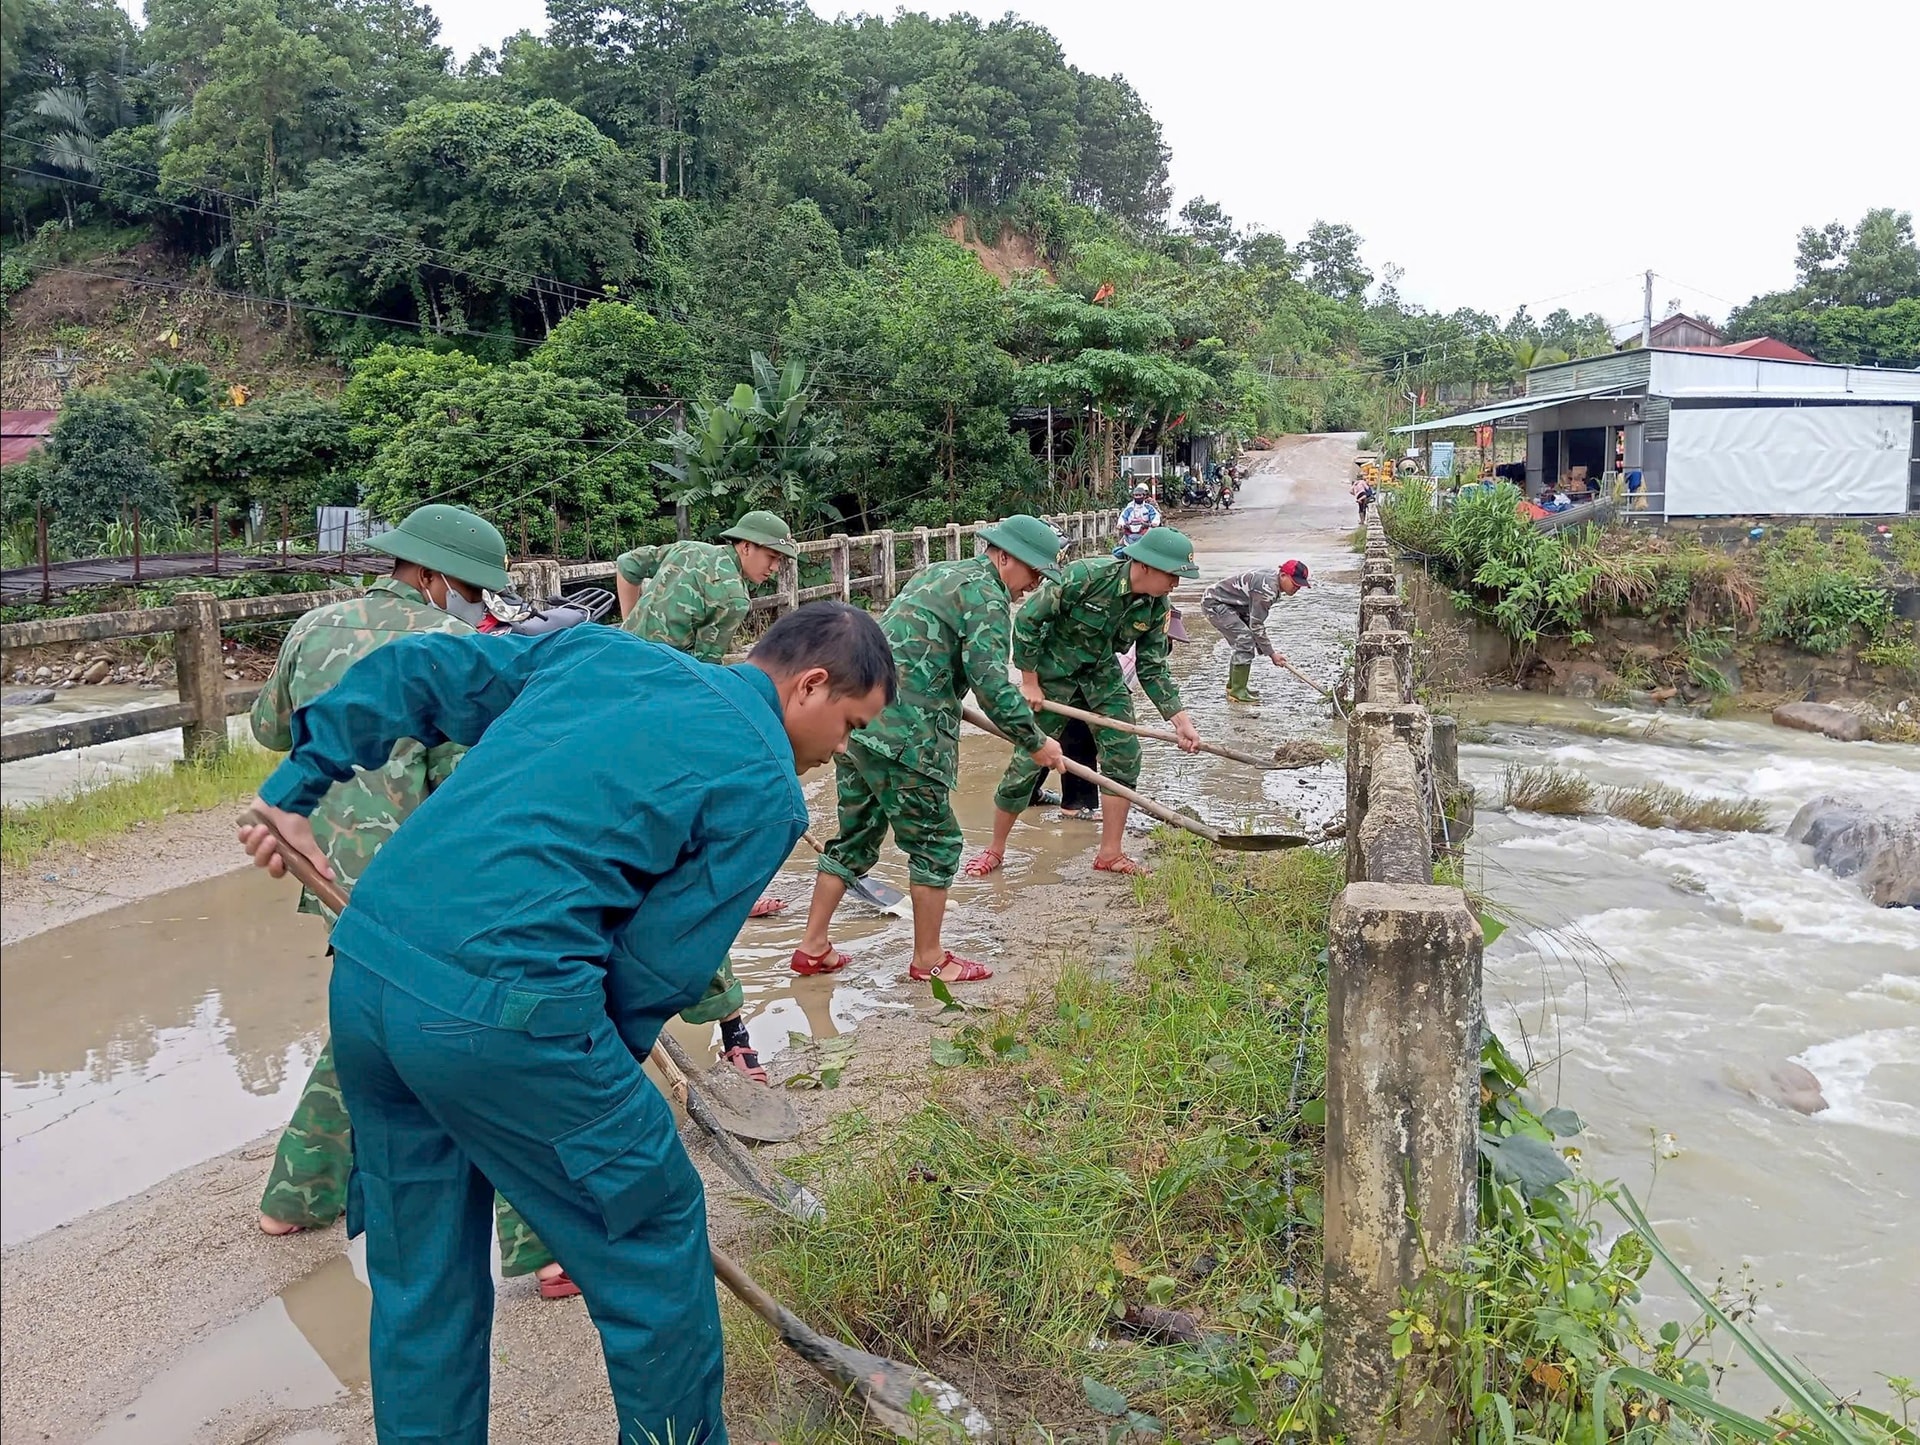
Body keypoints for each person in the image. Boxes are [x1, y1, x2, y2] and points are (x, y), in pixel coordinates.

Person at [236, 601, 896, 1445]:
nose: (841, 748)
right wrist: (585, 1111)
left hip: (369, 970)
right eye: (849, 724)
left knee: (422, 1275)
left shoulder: (598, 651)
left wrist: (297, 787)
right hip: (504, 1013)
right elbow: (657, 966)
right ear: (809, 685)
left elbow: (422, 672)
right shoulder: (767, 784)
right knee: (654, 1229)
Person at [250, 504, 576, 1300]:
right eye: (469, 586)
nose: (474, 600)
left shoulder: (312, 627)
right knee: (479, 1044)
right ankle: (546, 1241)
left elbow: (270, 731)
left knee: (370, 1020)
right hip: (417, 887)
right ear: (431, 577)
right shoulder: (461, 652)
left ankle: (294, 1196)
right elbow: (474, 795)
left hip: (319, 866)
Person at [791, 517, 1066, 985]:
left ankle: (813, 948)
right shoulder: (988, 597)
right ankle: (929, 959)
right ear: (1003, 556)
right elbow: (994, 686)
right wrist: (1036, 742)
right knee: (937, 844)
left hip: (857, 724)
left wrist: (944, 688)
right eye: (1034, 571)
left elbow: (901, 645)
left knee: (855, 838)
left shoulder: (938, 573)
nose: (1035, 584)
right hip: (908, 739)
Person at [622, 510, 801, 1079]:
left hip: (622, 677)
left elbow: (628, 567)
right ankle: (734, 1032)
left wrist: (633, 634)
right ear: (744, 547)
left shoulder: (685, 548)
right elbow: (698, 675)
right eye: (771, 557)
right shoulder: (732, 598)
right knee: (696, 855)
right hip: (660, 716)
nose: (773, 569)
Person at [968, 527, 1204, 879]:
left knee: (1124, 756)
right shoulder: (1086, 576)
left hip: (1101, 678)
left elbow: (1153, 668)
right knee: (1027, 763)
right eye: (1173, 575)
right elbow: (1030, 620)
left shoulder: (1157, 607)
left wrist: (1180, 720)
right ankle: (995, 849)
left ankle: (1110, 853)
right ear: (1147, 566)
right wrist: (1029, 681)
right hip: (1052, 676)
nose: (1176, 584)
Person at [1203, 559, 1310, 704]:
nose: (1297, 588)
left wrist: (1264, 649)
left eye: (1300, 585)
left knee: (1246, 640)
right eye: (1295, 583)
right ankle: (1237, 691)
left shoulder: (1273, 579)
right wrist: (1272, 654)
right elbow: (1257, 624)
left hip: (1233, 605)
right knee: (1245, 641)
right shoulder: (1267, 590)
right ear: (1283, 575)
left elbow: (1254, 622)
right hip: (1215, 603)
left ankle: (1234, 686)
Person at [1117, 483, 1161, 547]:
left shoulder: (1150, 506)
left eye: (1140, 495)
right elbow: (1123, 516)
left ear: (1145, 495)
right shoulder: (1130, 506)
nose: (1138, 497)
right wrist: (1120, 524)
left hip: (1145, 528)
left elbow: (1155, 515)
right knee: (1120, 545)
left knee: (1155, 542)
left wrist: (1154, 523)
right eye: (1136, 495)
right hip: (1131, 529)